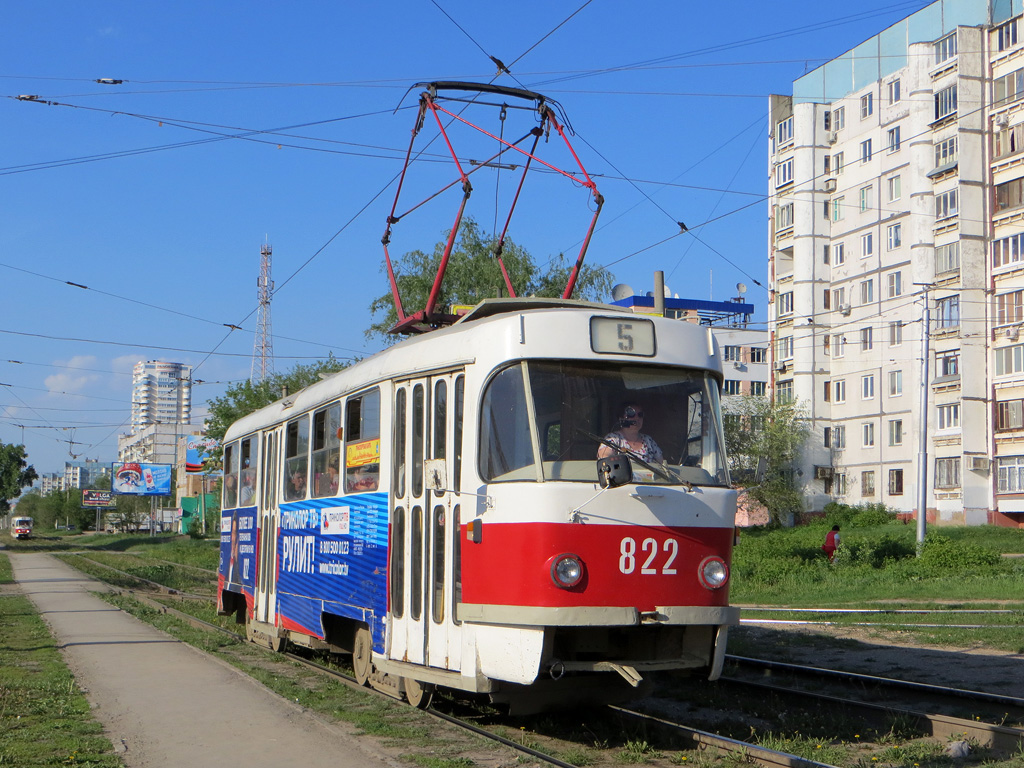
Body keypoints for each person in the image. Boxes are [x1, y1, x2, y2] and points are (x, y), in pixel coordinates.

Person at [597, 404, 663, 463]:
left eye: (640, 415)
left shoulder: (648, 440)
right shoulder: (613, 439)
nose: (637, 418)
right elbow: (604, 457)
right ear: (621, 418)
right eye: (631, 414)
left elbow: (662, 465)